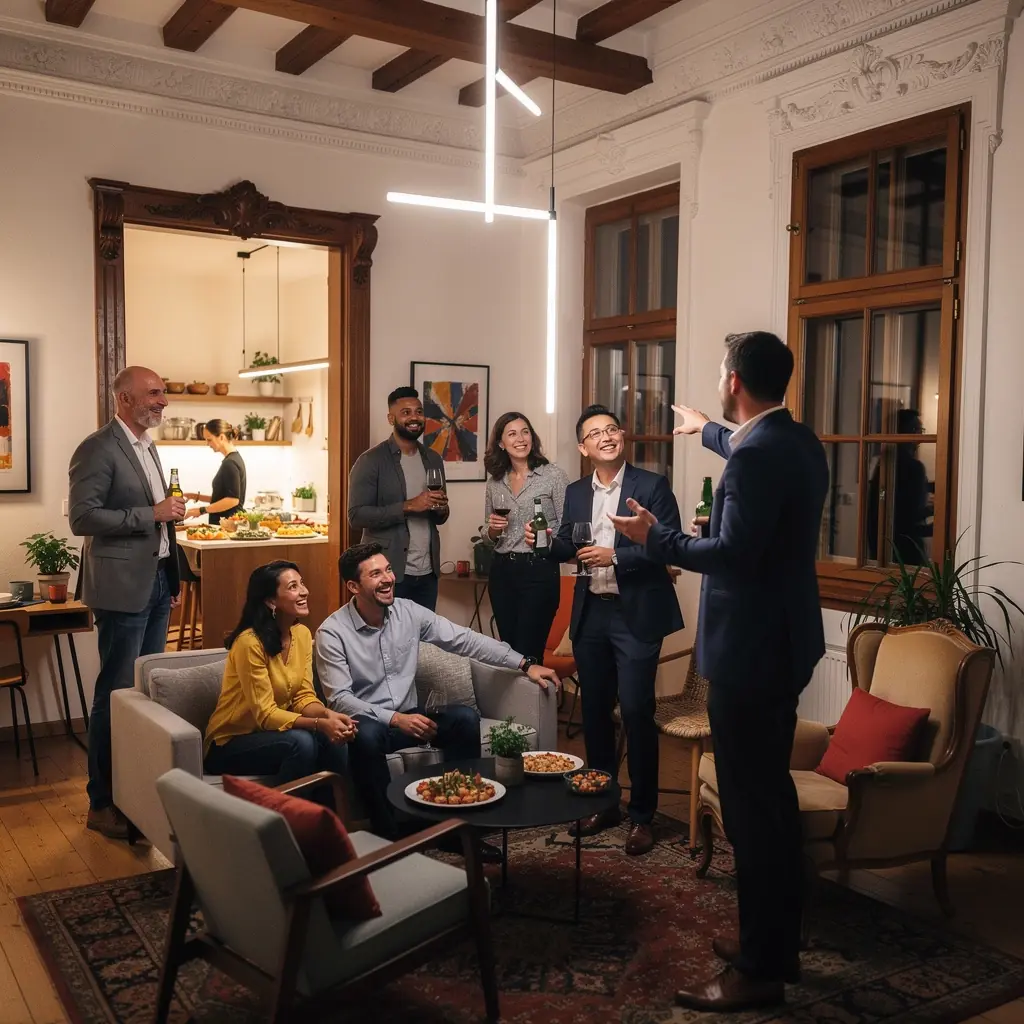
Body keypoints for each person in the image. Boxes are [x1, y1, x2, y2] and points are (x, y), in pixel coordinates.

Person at [609, 331, 829, 1012]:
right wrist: (709, 432)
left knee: (753, 813)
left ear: (734, 379)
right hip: (783, 646)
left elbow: (732, 554)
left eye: (719, 373)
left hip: (750, 655)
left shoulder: (756, 459)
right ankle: (774, 944)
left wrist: (657, 538)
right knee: (772, 804)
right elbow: (747, 448)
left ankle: (760, 971)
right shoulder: (796, 441)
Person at [315, 542, 559, 839]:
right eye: (376, 574)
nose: (388, 579)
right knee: (365, 735)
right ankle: (388, 836)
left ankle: (460, 827)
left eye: (389, 570)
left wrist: (524, 663)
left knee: (464, 719)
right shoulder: (332, 632)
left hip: (411, 719)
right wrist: (395, 719)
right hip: (371, 724)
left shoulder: (409, 612)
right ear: (353, 585)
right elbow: (340, 699)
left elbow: (466, 640)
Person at [526, 404, 683, 857]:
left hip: (636, 615)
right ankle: (602, 802)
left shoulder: (651, 486)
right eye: (595, 433)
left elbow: (666, 544)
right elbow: (566, 546)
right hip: (592, 611)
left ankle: (642, 816)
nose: (606, 437)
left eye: (611, 429)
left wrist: (614, 556)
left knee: (635, 711)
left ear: (622, 435)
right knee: (594, 712)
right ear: (583, 447)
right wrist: (538, 540)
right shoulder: (575, 492)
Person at [69, 365, 184, 840]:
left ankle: (134, 796)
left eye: (161, 393)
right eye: (153, 393)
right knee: (116, 695)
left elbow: (162, 522)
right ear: (124, 400)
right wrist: (150, 513)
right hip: (121, 589)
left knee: (145, 694)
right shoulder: (97, 448)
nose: (162, 401)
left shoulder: (149, 448)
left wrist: (172, 577)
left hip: (156, 583)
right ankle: (102, 802)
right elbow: (82, 517)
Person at [204, 561, 355, 785]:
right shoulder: (250, 643)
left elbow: (303, 696)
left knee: (332, 739)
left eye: (301, 583)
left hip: (276, 734)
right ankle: (283, 816)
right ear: (270, 601)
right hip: (230, 743)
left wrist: (327, 715)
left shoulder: (302, 634)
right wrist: (317, 724)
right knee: (302, 742)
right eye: (293, 586)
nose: (304, 591)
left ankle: (330, 817)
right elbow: (265, 715)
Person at [348, 387, 449, 611]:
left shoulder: (432, 459)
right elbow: (355, 516)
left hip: (428, 573)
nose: (414, 417)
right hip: (387, 572)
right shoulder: (370, 461)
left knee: (423, 641)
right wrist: (408, 506)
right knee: (385, 639)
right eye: (406, 412)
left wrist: (441, 508)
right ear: (391, 418)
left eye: (419, 412)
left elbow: (440, 516)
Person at [484, 411, 569, 663]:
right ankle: (514, 704)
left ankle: (536, 704)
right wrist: (492, 531)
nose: (520, 439)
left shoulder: (554, 476)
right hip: (502, 572)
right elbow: (489, 535)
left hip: (539, 572)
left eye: (525, 432)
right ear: (501, 443)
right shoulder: (495, 482)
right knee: (509, 656)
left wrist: (546, 537)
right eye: (512, 434)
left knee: (529, 655)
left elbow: (568, 529)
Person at [866, 408, 933, 564]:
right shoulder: (913, 468)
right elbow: (908, 519)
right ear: (909, 432)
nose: (921, 437)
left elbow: (894, 507)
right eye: (918, 430)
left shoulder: (884, 463)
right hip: (906, 553)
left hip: (880, 550)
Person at [182, 419, 247, 524]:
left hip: (228, 526)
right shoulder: (233, 459)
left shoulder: (230, 463)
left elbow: (232, 500)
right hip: (227, 525)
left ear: (221, 437)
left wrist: (201, 510)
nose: (207, 444)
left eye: (209, 439)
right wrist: (194, 496)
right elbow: (222, 498)